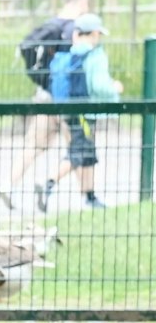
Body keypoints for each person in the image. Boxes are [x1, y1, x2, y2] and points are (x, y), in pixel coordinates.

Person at [8, 0, 91, 210]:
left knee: (33, 145)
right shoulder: (72, 29)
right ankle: (86, 197)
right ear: (81, 2)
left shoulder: (50, 26)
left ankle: (9, 187)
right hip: (64, 98)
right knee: (79, 146)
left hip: (44, 95)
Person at [38, 12, 121, 213]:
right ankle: (48, 184)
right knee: (79, 152)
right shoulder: (95, 55)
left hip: (71, 109)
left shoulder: (73, 52)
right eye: (98, 34)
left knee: (87, 153)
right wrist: (115, 87)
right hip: (86, 111)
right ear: (93, 33)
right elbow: (99, 85)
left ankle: (91, 197)